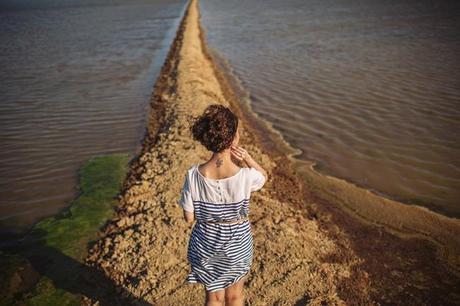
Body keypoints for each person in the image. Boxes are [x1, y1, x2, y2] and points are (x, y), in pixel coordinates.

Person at [178, 104, 268, 306]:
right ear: (234, 138)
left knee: (214, 298)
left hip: (205, 244)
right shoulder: (245, 176)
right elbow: (264, 176)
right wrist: (247, 158)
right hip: (237, 244)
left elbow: (188, 218)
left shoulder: (192, 175)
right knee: (234, 297)